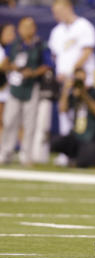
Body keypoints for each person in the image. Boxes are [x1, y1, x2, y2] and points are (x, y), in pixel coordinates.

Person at [49, 0, 95, 165]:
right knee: (64, 114)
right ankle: (66, 152)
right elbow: (56, 55)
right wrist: (61, 72)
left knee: (82, 115)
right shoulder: (57, 31)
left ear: (68, 8)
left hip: (81, 80)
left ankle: (90, 150)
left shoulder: (84, 26)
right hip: (64, 80)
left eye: (59, 11)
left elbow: (87, 51)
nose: (56, 15)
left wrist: (72, 72)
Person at [0, 17, 51, 165]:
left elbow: (48, 65)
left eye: (28, 27)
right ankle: (5, 152)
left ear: (34, 28)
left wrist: (33, 73)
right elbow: (4, 64)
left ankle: (26, 154)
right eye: (23, 27)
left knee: (29, 123)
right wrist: (13, 67)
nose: (25, 30)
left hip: (32, 86)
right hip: (15, 87)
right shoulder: (15, 44)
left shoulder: (40, 45)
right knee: (9, 121)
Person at [51, 68, 95, 168]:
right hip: (76, 136)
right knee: (55, 143)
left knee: (83, 164)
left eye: (82, 80)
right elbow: (62, 109)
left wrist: (84, 95)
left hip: (90, 137)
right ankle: (74, 156)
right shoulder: (73, 95)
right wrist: (66, 90)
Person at [0, 23, 16, 141]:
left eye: (13, 33)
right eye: (8, 33)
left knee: (13, 121)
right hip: (2, 89)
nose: (12, 36)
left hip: (14, 91)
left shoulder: (17, 48)